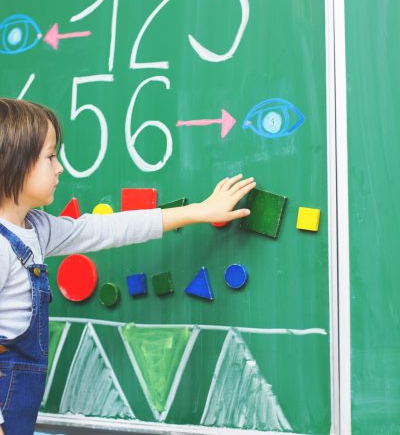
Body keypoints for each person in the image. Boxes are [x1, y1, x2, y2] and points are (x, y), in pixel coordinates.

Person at [0, 98, 256, 435]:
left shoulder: (37, 228)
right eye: (50, 157)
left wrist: (197, 211)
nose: (59, 167)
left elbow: (107, 228)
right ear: (14, 162)